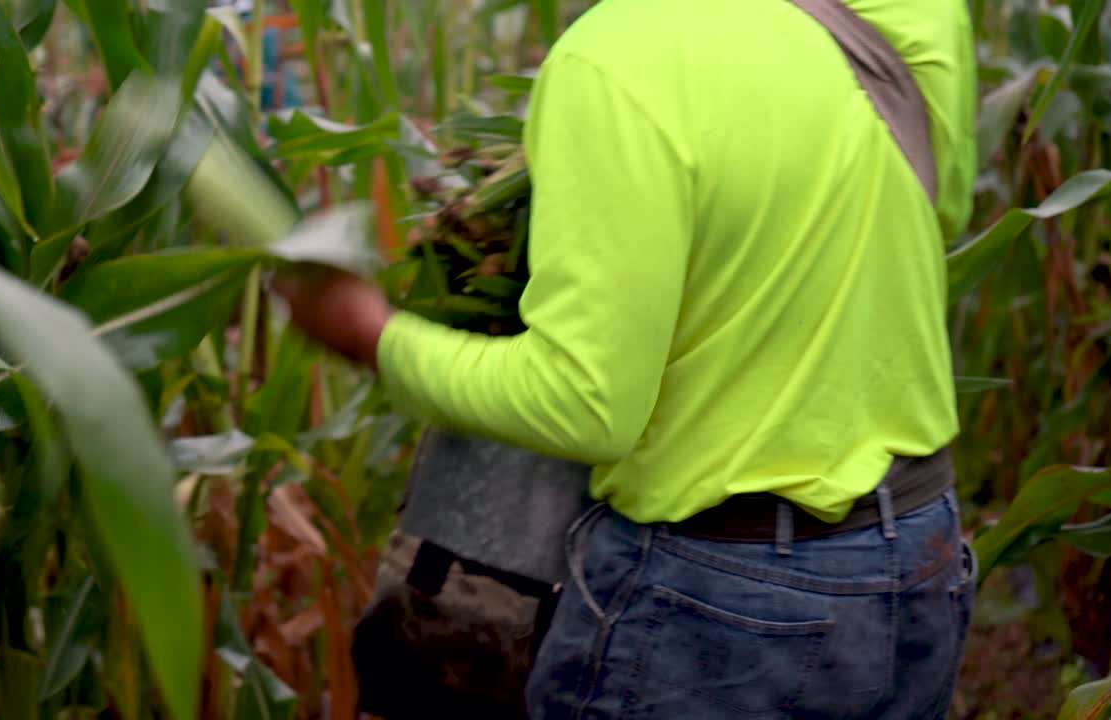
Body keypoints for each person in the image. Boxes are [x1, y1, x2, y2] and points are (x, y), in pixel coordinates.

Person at [281, 0, 979, 716]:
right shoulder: (909, 12)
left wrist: (372, 335)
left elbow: (582, 403)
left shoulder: (621, 56)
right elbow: (938, 211)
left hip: (720, 600)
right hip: (919, 558)